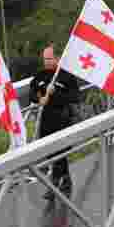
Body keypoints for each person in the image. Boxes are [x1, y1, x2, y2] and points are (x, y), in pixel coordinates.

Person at [29, 45, 81, 196]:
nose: (46, 62)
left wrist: (55, 94)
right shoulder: (40, 75)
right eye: (44, 59)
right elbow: (32, 92)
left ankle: (54, 183)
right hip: (46, 119)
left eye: (49, 59)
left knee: (61, 151)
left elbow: (75, 97)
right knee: (51, 152)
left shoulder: (67, 77)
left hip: (63, 118)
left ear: (57, 58)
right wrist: (40, 98)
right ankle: (65, 179)